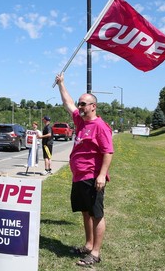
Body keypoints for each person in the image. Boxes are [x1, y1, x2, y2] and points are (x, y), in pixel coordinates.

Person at [55, 73, 114, 267]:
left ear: (93, 106)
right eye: (80, 104)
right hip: (78, 176)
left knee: (96, 214)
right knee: (85, 212)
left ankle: (95, 253)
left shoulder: (100, 126)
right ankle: (88, 245)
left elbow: (108, 152)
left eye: (83, 104)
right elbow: (68, 103)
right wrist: (61, 84)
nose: (79, 106)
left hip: (92, 176)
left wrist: (101, 175)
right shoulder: (80, 121)